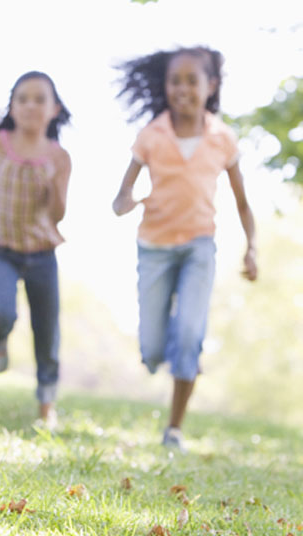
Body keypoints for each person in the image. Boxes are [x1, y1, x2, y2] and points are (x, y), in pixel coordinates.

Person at [112, 47, 258, 453]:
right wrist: (125, 202)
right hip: (154, 247)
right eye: (175, 80)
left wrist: (252, 248)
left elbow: (243, 204)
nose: (182, 89)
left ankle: (174, 428)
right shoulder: (151, 135)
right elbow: (122, 195)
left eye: (192, 80)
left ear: (210, 86)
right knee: (154, 349)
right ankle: (162, 355)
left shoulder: (223, 139)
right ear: (166, 86)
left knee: (190, 335)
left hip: (199, 246)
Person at [0, 71, 72, 427]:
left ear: (54, 109)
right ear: (12, 106)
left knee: (47, 328)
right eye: (22, 99)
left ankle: (46, 406)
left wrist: (53, 186)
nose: (30, 106)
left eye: (39, 99)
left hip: (40, 251)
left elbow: (57, 214)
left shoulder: (59, 157)